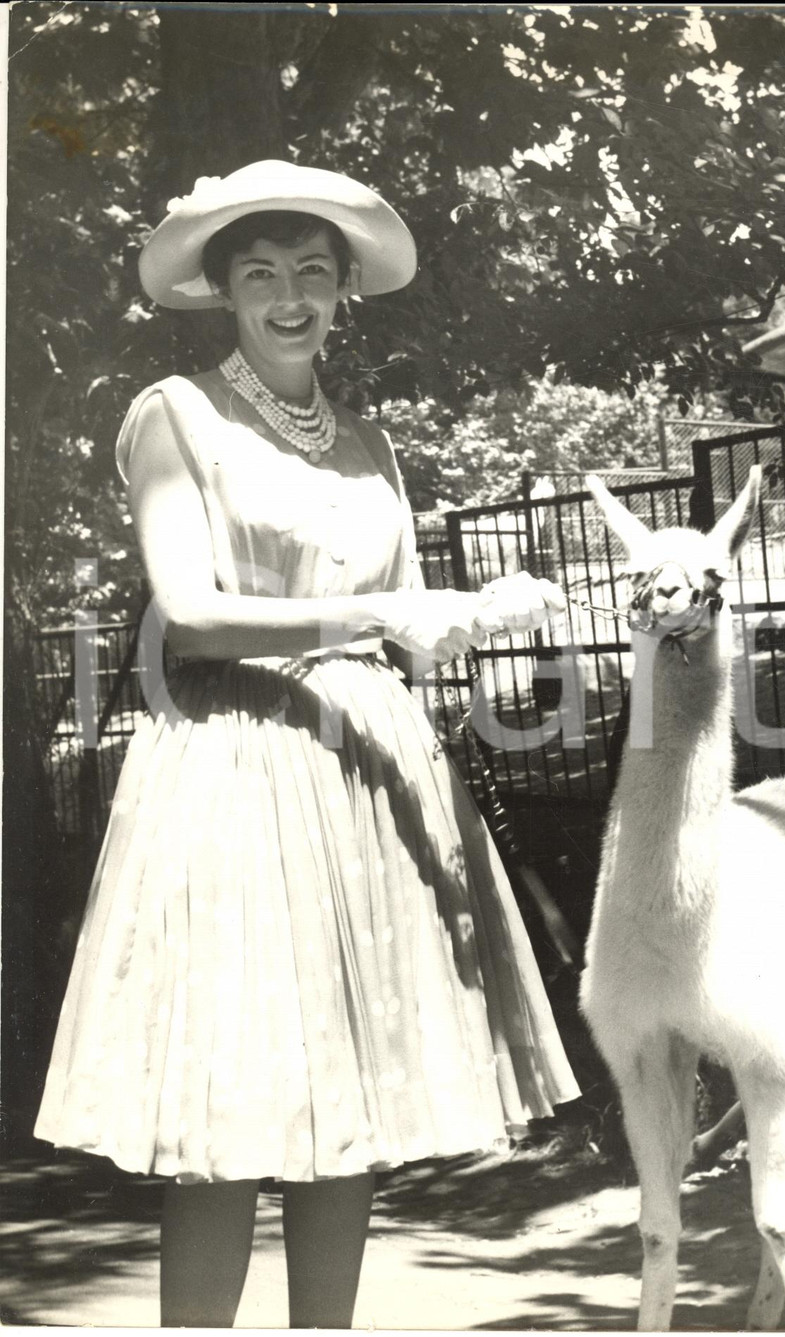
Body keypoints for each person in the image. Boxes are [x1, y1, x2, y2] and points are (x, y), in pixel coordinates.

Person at [34, 160, 581, 1328]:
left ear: (345, 294)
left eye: (314, 274)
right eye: (263, 275)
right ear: (225, 292)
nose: (291, 297)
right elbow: (191, 609)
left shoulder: (373, 445)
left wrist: (484, 613)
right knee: (232, 1109)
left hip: (366, 777)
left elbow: (412, 625)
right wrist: (379, 615)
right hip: (237, 764)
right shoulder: (175, 415)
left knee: (350, 1105)